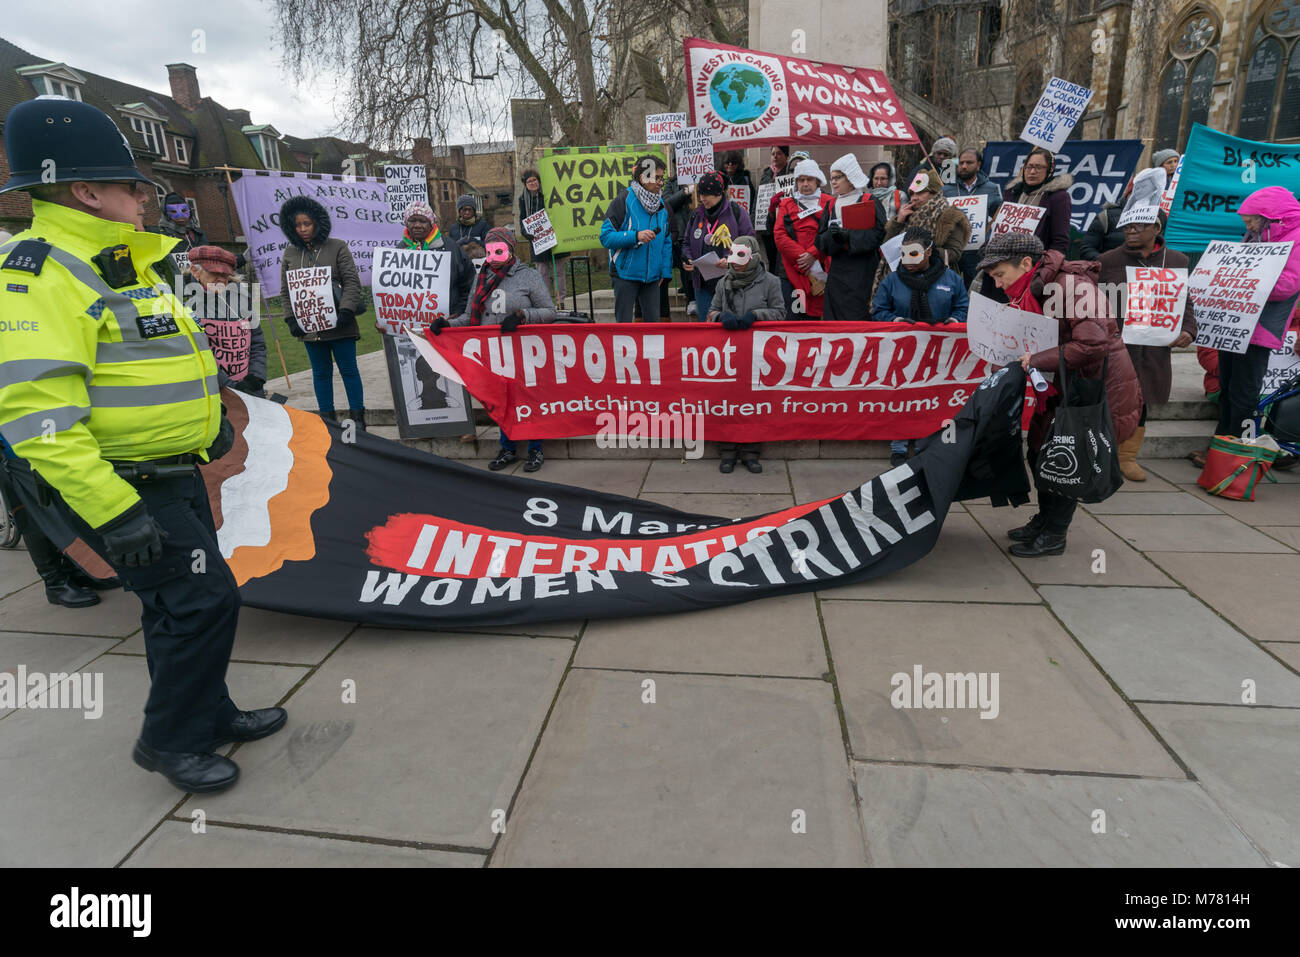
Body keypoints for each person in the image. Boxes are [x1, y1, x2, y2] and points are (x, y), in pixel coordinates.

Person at [0, 97, 285, 793]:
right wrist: (113, 509)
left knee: (178, 605)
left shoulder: (118, 259)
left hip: (171, 472)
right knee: (202, 602)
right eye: (132, 186)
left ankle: (207, 711)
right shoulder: (42, 272)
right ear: (85, 191)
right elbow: (36, 413)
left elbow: (162, 354)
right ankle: (169, 740)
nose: (144, 198)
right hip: (127, 485)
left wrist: (209, 420)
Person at [972, 232, 1141, 557]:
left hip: (1091, 391)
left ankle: (1054, 534)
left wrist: (1034, 360)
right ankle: (1045, 520)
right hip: (1061, 386)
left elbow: (1093, 344)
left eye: (1000, 275)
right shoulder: (1034, 287)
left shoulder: (1071, 287)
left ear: (1025, 263)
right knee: (1039, 453)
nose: (999, 284)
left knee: (1064, 459)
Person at [1096, 169, 1194, 481]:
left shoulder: (1177, 260)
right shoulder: (1108, 260)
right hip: (1116, 348)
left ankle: (1127, 457)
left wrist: (1188, 331)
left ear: (1156, 227)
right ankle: (1101, 452)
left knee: (1142, 403)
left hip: (1153, 350)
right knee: (1110, 400)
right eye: (1127, 224)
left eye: (1138, 224)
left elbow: (1185, 303)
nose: (1130, 229)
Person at [437, 226, 556, 472]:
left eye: (499, 249)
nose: (494, 255)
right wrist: (446, 324)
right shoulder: (481, 278)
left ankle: (535, 449)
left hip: (524, 351)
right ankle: (508, 448)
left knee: (527, 398)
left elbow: (549, 312)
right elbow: (470, 317)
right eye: (490, 250)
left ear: (510, 249)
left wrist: (522, 316)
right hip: (494, 353)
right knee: (501, 400)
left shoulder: (528, 276)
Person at [1195, 185, 1300, 463]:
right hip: (1237, 324)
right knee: (1229, 389)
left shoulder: (1296, 237)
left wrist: (1247, 282)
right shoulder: (1257, 235)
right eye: (1246, 221)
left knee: (1244, 394)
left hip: (1261, 329)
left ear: (1271, 217)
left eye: (1252, 219)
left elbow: (1288, 285)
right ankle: (1219, 449)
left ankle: (1236, 456)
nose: (1249, 225)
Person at [872, 226, 969, 465]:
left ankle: (928, 443)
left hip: (941, 351)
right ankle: (899, 446)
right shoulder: (892, 281)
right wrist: (895, 321)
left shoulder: (952, 279)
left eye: (913, 254)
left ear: (928, 252)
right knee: (901, 397)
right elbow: (879, 311)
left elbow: (963, 308)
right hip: (902, 352)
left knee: (935, 398)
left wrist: (955, 321)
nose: (908, 260)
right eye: (904, 254)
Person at [278, 194, 366, 429]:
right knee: (320, 373)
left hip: (340, 324)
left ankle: (358, 419)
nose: (303, 229)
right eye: (298, 225)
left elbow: (351, 281)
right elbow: (286, 291)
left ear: (317, 222)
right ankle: (327, 421)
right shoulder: (289, 253)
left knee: (349, 370)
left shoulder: (337, 246)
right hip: (310, 328)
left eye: (307, 223)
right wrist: (290, 319)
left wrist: (346, 310)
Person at [0, 432, 115, 607]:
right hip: (11, 449)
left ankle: (75, 571)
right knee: (33, 518)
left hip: (40, 443)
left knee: (61, 509)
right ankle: (55, 583)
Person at [705, 236, 785, 474]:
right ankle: (727, 452)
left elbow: (780, 313)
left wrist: (756, 315)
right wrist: (721, 317)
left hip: (758, 356)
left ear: (753, 257)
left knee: (753, 405)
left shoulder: (771, 282)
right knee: (727, 403)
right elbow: (711, 312)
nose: (735, 262)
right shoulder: (723, 283)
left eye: (740, 256)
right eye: (733, 255)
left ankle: (751, 452)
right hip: (728, 357)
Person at [875, 168, 970, 299]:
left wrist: (921, 253)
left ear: (934, 193)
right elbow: (887, 249)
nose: (914, 198)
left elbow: (953, 254)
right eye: (912, 193)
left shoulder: (951, 216)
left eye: (920, 193)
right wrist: (898, 221)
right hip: (903, 282)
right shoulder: (907, 215)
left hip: (937, 282)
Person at [600, 155, 673, 323]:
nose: (661, 183)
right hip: (625, 275)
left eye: (662, 178)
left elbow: (666, 240)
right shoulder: (623, 200)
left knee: (653, 330)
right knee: (624, 329)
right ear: (642, 177)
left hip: (653, 278)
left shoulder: (661, 204)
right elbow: (605, 237)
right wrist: (635, 236)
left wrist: (665, 271)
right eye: (657, 178)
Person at [188, 245, 267, 397]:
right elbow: (196, 355)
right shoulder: (186, 306)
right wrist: (229, 385)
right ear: (195, 271)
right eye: (213, 273)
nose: (220, 279)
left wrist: (256, 377)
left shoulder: (242, 299)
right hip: (213, 393)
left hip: (251, 389)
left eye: (224, 275)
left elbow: (257, 341)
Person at [817, 153, 886, 322]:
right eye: (832, 178)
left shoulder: (869, 200)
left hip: (864, 271)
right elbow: (819, 242)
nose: (833, 182)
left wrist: (849, 236)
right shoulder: (830, 205)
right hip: (838, 273)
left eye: (838, 177)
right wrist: (832, 236)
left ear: (850, 177)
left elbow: (880, 234)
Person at [682, 171, 755, 322]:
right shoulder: (696, 215)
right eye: (700, 194)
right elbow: (686, 243)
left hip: (732, 283)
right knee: (707, 328)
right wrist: (688, 258)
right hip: (702, 285)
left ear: (719, 193)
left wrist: (731, 260)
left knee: (731, 326)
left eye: (707, 194)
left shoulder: (736, 212)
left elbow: (750, 243)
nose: (702, 198)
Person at [773, 158, 834, 318]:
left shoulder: (830, 202)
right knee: (793, 319)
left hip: (822, 269)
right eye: (801, 180)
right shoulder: (786, 204)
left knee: (817, 320)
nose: (805, 184)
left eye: (809, 179)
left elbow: (832, 232)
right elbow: (779, 235)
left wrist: (813, 254)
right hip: (792, 271)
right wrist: (803, 258)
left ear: (817, 181)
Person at [396, 199, 472, 315]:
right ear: (406, 223)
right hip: (410, 320)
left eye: (422, 221)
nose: (417, 225)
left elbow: (469, 284)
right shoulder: (399, 251)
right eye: (412, 221)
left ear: (431, 223)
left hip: (447, 321)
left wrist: (459, 312)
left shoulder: (451, 248)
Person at [942, 147, 1003, 284]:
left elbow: (998, 216)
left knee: (976, 289)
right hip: (953, 250)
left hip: (978, 252)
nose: (964, 166)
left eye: (969, 163)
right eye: (961, 163)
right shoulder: (946, 189)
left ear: (978, 165)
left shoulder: (991, 188)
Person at [1002, 147, 1073, 254]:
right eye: (1029, 167)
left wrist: (1046, 267)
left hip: (1037, 262)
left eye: (1039, 167)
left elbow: (1060, 241)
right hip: (1005, 258)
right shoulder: (1012, 192)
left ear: (1050, 170)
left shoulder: (1058, 197)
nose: (1032, 171)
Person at [518, 169, 567, 306]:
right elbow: (522, 219)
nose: (533, 183)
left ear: (539, 181)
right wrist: (526, 233)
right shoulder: (523, 200)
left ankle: (561, 301)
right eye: (529, 181)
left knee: (559, 273)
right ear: (525, 184)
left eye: (534, 180)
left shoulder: (549, 193)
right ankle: (546, 302)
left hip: (554, 239)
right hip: (537, 242)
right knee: (542, 273)